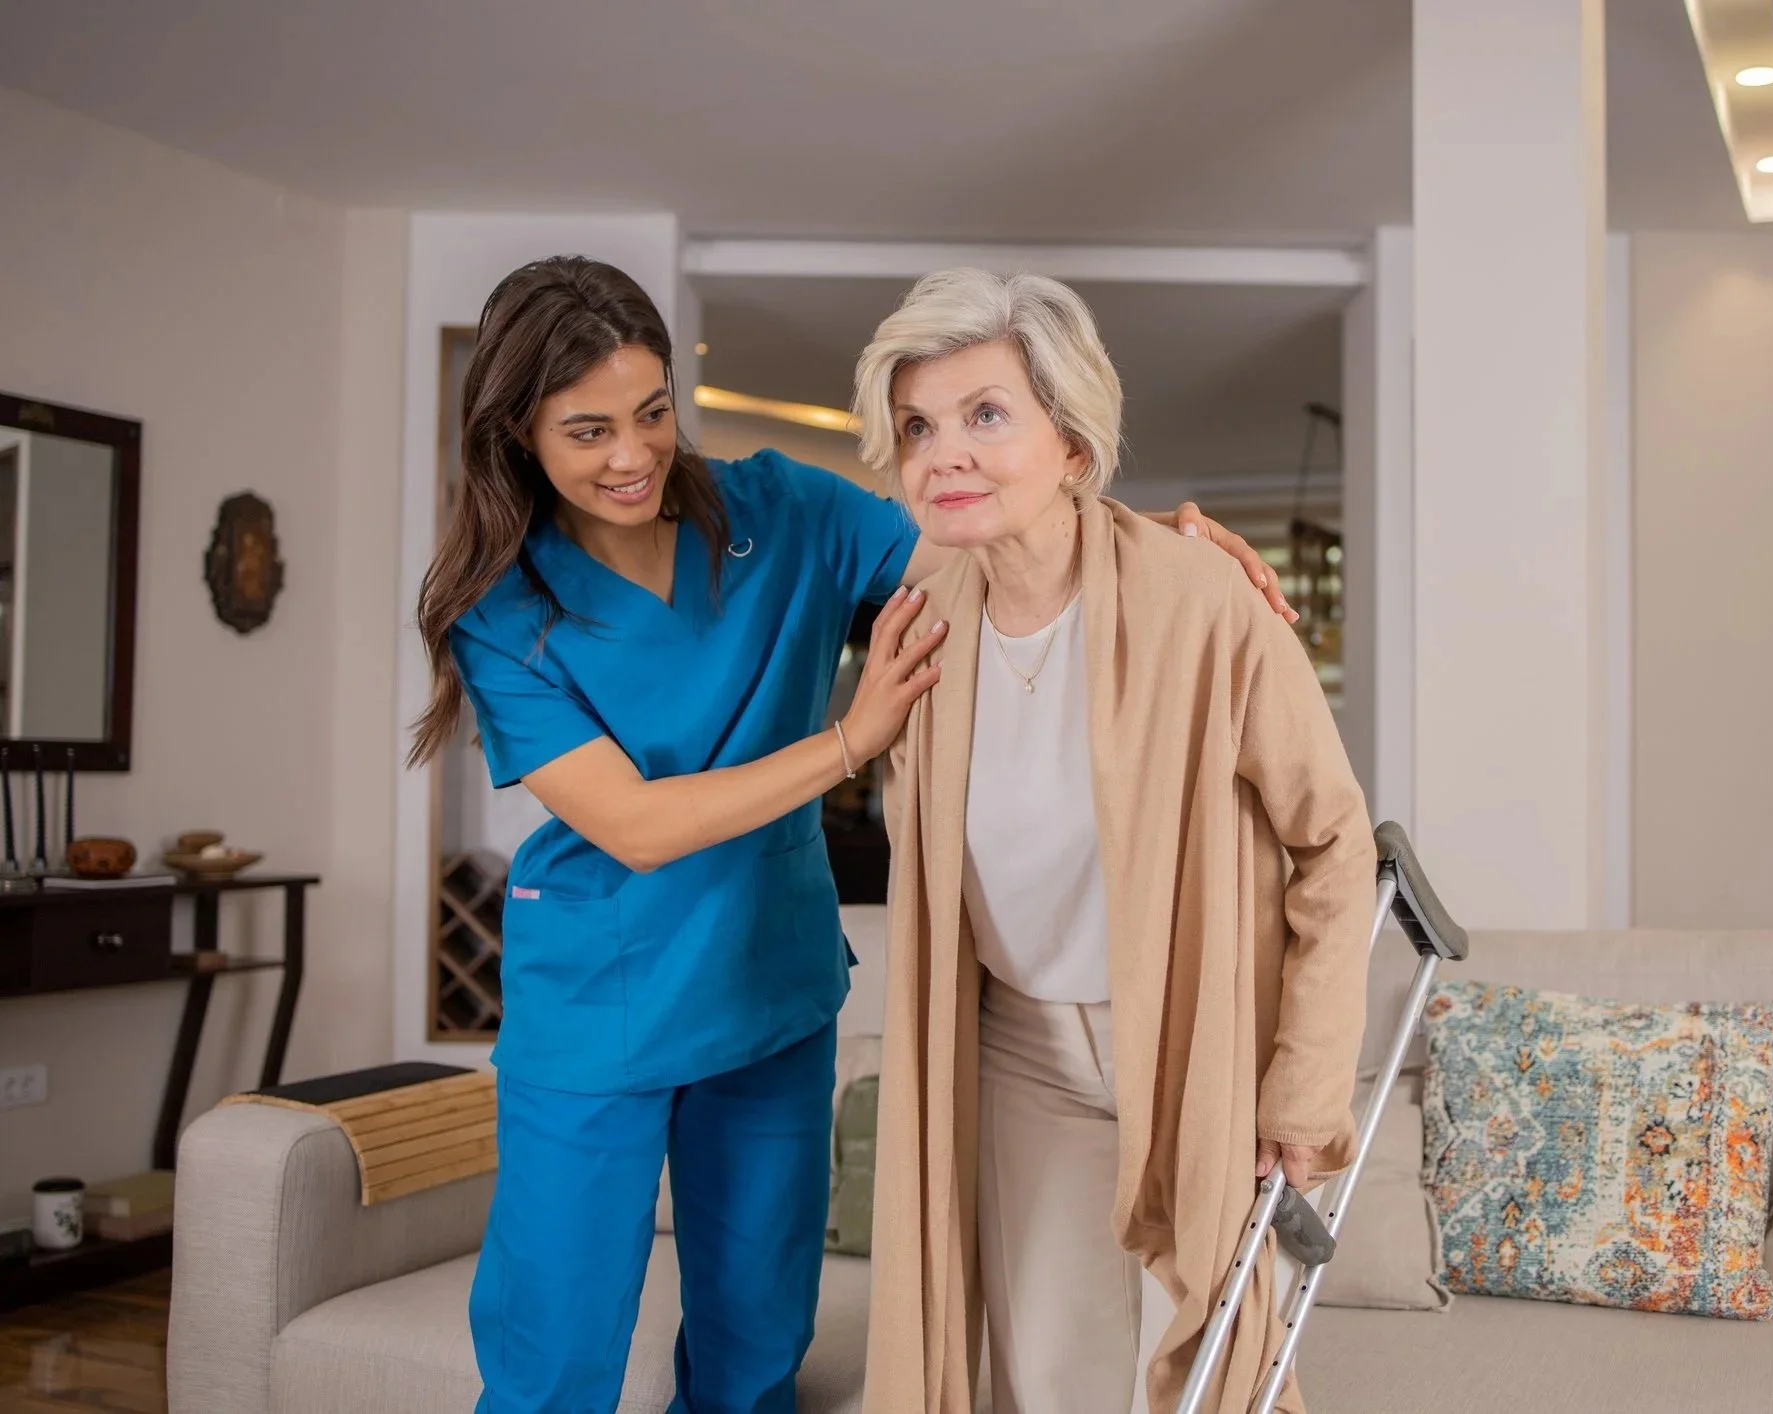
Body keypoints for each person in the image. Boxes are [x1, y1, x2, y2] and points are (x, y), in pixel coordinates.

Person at [407, 255, 1290, 1413]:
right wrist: (847, 739)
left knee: (753, 1346)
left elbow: (994, 547)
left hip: (766, 996)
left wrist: (1161, 557)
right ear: (519, 436)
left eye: (652, 412)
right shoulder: (501, 607)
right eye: (586, 432)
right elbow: (630, 824)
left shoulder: (785, 511)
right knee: (552, 1362)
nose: (630, 456)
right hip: (596, 1010)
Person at [854, 269, 1377, 1414]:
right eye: (915, 426)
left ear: (1074, 446)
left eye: (985, 414)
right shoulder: (921, 600)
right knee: (1049, 1380)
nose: (944, 451)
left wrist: (1302, 1088)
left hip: (1190, 1043)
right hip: (1021, 1052)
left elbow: (1335, 844)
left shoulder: (1201, 600)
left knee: (1203, 1377)